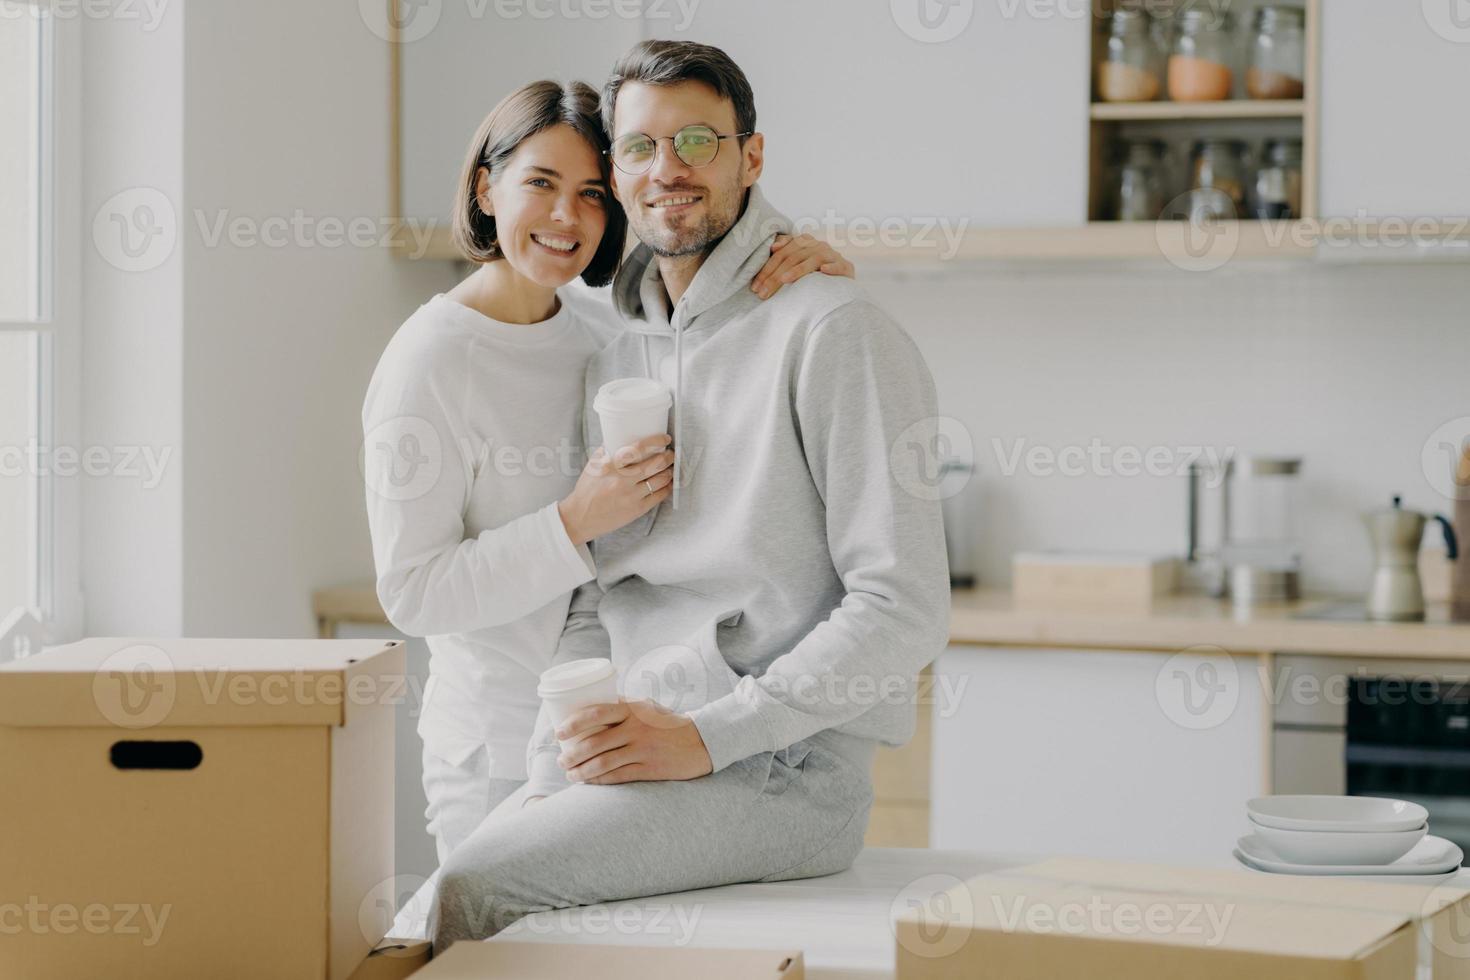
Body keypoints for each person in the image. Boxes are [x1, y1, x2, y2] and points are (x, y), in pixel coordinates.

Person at [427, 40, 950, 951]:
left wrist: (708, 738)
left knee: (472, 890)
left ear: (751, 157)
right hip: (643, 751)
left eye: (697, 143)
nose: (666, 170)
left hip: (782, 773)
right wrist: (561, 762)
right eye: (637, 149)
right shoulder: (620, 351)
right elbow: (601, 589)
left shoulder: (834, 330)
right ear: (619, 178)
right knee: (456, 883)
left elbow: (905, 610)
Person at [361, 78, 853, 867]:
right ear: (487, 188)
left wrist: (799, 256)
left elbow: (706, 242)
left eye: (592, 193)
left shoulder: (601, 335)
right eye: (541, 184)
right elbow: (412, 592)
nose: (567, 218)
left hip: (618, 732)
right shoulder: (430, 359)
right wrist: (573, 522)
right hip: (494, 743)